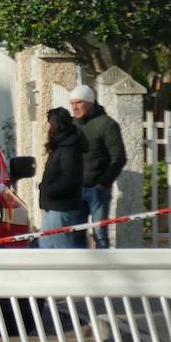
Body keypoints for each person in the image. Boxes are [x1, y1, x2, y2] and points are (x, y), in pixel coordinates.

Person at [69, 83, 126, 249]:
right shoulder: (72, 125)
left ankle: (105, 268)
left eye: (78, 103)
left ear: (90, 103)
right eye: (72, 103)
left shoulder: (107, 125)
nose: (74, 107)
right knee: (76, 233)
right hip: (76, 190)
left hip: (97, 191)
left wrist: (104, 182)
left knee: (100, 234)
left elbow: (119, 157)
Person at [38, 107, 87, 250]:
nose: (47, 127)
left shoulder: (68, 149)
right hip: (52, 205)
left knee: (61, 247)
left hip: (61, 206)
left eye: (49, 123)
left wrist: (48, 190)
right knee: (47, 246)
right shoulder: (60, 146)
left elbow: (69, 180)